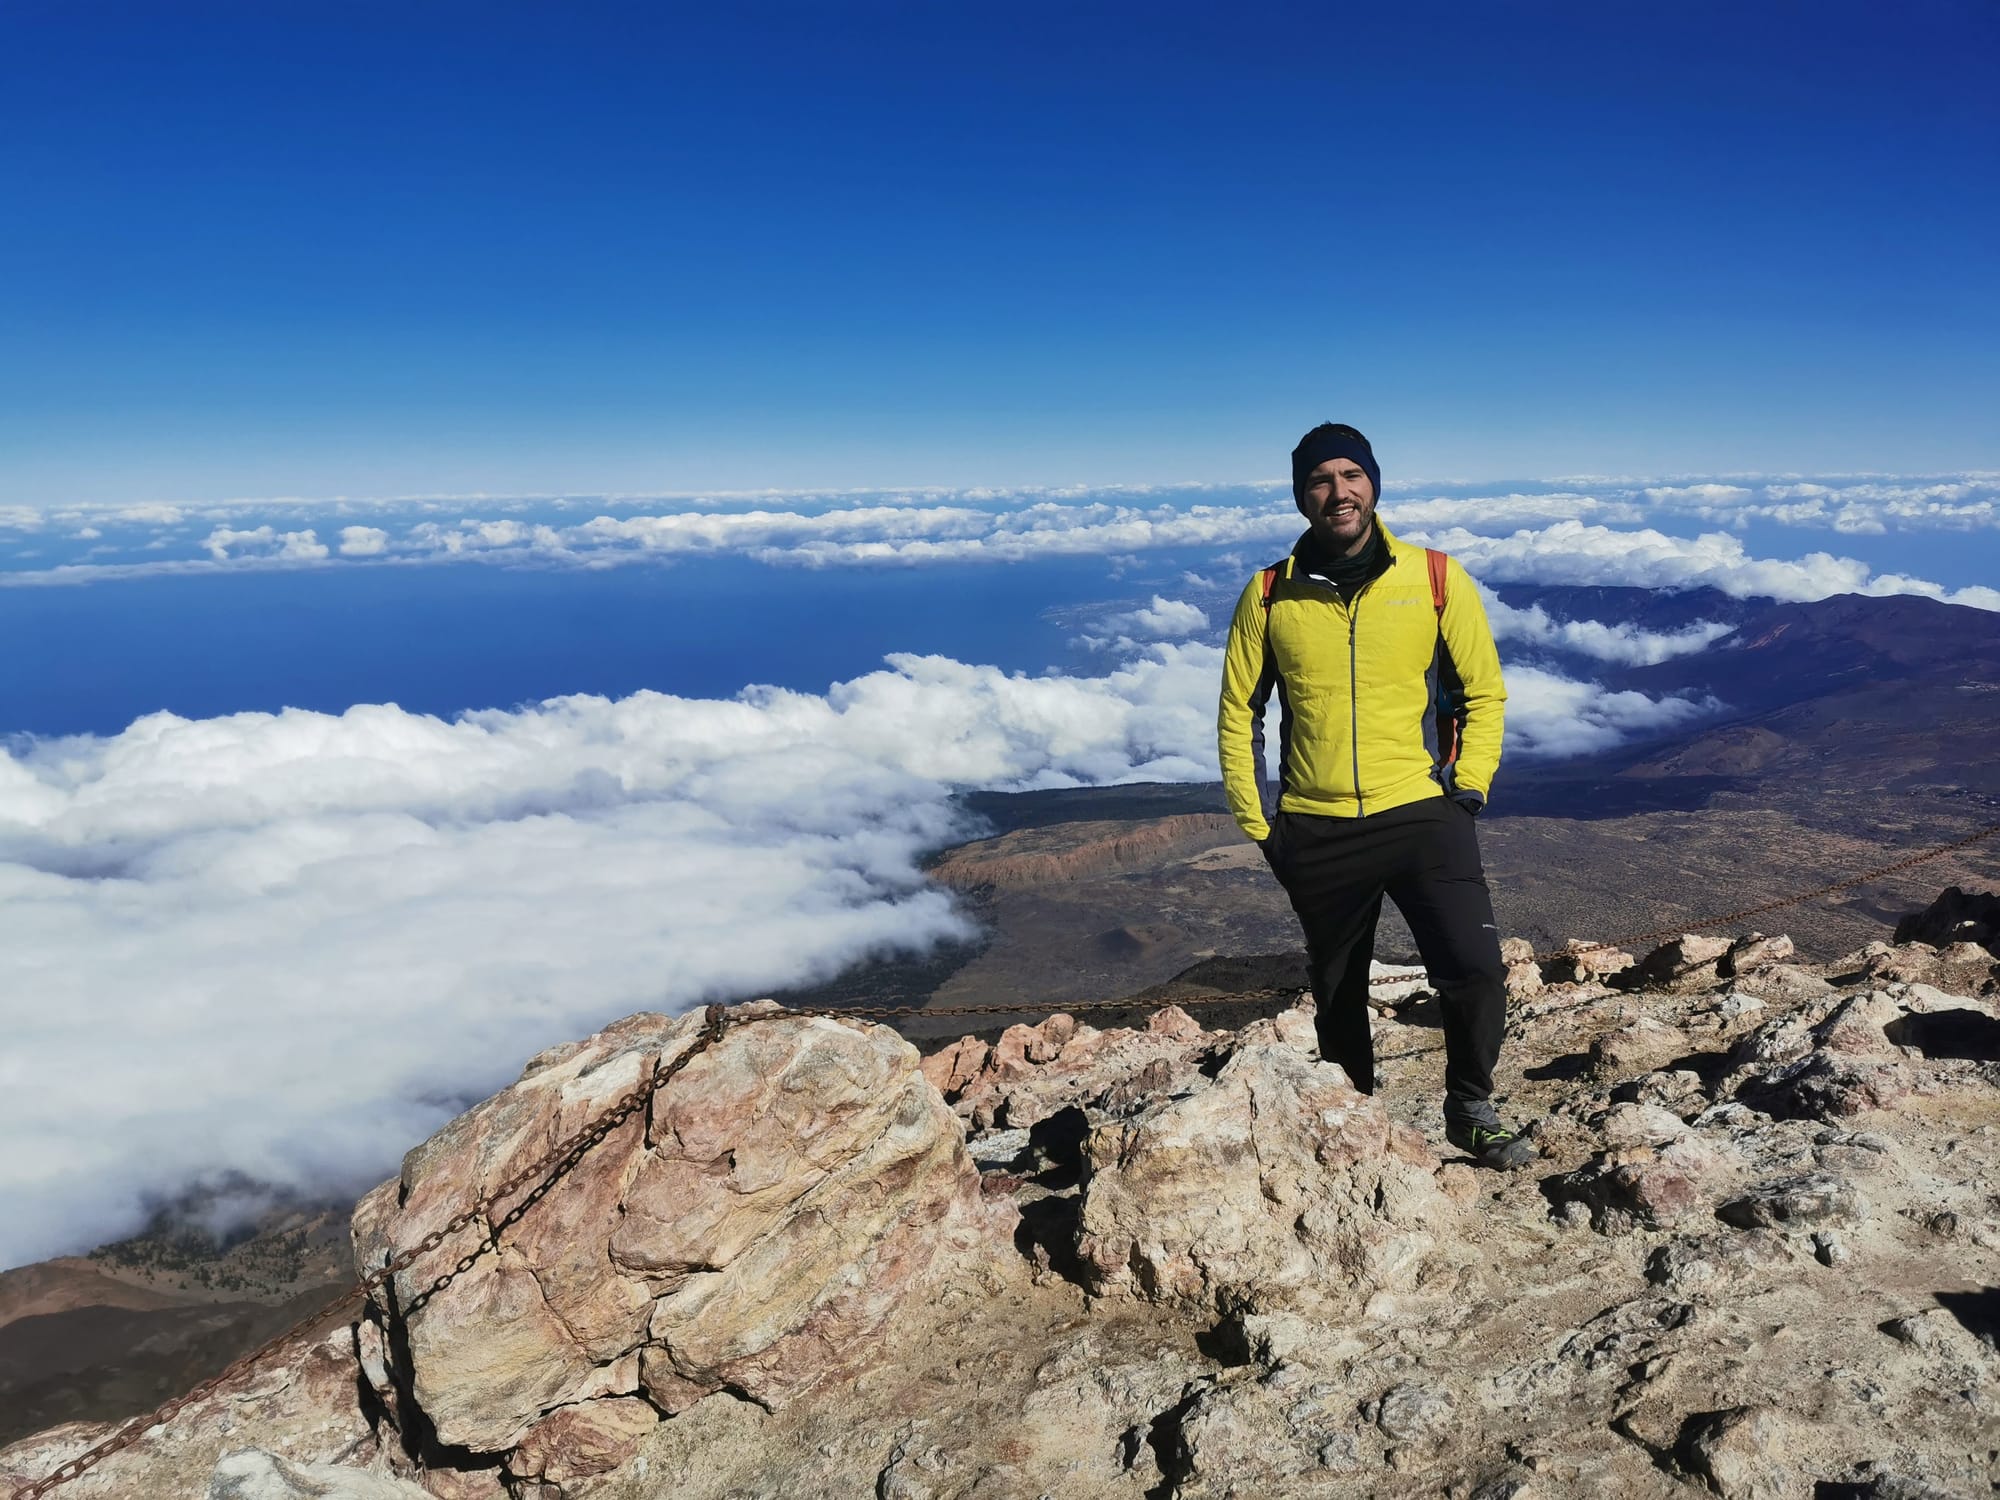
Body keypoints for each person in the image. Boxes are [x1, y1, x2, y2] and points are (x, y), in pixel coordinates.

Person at [1216, 421, 1534, 1169]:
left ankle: (1470, 1105)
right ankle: (1353, 1124)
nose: (1339, 492)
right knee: (1337, 992)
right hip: (1316, 828)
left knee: (1477, 970)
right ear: (1301, 497)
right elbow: (1239, 710)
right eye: (1321, 480)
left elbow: (1481, 692)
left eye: (1350, 476)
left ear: (1373, 483)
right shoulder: (1268, 594)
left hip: (1422, 810)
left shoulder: (1433, 578)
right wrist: (1259, 820)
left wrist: (1469, 788)